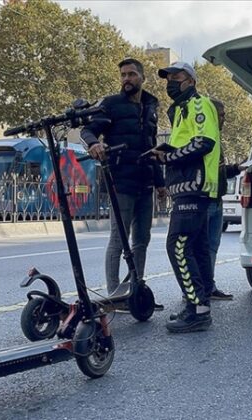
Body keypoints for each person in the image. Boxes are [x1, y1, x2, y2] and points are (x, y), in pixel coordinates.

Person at [80, 58, 166, 310]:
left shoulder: (151, 106)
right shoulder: (111, 104)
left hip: (145, 183)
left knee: (142, 240)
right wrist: (94, 143)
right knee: (119, 240)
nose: (126, 79)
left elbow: (152, 147)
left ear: (142, 77)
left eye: (131, 74)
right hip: (120, 181)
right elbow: (88, 130)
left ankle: (136, 291)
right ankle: (115, 295)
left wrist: (160, 183)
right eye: (122, 75)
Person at [150, 61, 220, 333]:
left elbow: (204, 142)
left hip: (195, 186)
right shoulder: (180, 111)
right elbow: (186, 143)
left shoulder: (199, 105)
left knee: (177, 246)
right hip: (187, 188)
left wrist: (167, 157)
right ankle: (198, 307)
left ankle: (198, 309)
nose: (170, 82)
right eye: (167, 77)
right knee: (198, 248)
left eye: (175, 77)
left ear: (190, 80)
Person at [206, 99, 242, 300]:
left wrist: (237, 168)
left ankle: (209, 286)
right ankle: (195, 290)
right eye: (221, 115)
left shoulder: (217, 139)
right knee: (201, 248)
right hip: (204, 201)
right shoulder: (204, 137)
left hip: (217, 200)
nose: (224, 119)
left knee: (212, 246)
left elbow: (218, 172)